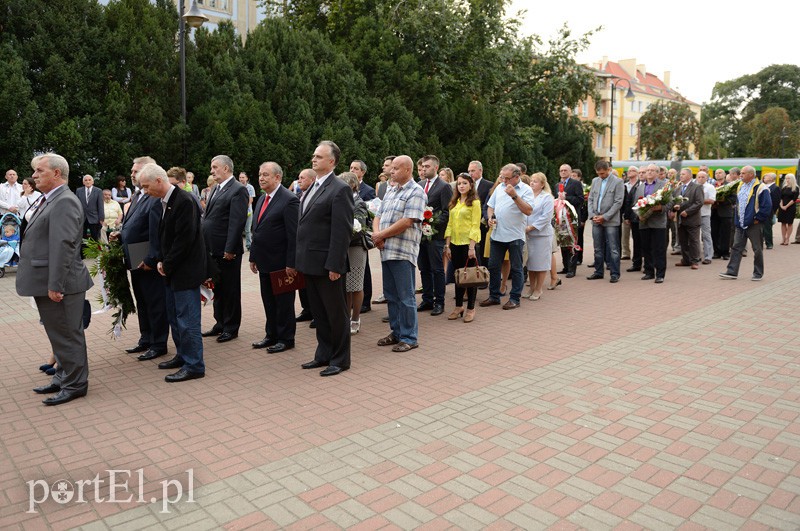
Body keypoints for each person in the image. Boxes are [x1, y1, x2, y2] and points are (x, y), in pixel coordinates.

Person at [17, 153, 93, 405]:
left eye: (39, 171)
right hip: (50, 280)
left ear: (57, 174)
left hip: (62, 283)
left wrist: (55, 284)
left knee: (68, 335)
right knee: (57, 334)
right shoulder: (50, 199)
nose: (34, 175)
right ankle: (63, 377)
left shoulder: (64, 201)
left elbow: (63, 246)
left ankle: (75, 384)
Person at [136, 163, 207, 382]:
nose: (145, 191)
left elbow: (183, 240)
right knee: (175, 319)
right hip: (171, 271)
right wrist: (161, 262)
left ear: (159, 181)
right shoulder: (165, 202)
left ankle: (194, 365)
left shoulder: (184, 201)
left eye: (147, 186)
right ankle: (182, 355)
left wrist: (166, 264)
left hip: (184, 271)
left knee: (187, 320)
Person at [296, 141, 354, 376]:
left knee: (336, 314)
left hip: (328, 264)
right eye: (313, 156)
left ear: (332, 161)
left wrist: (335, 264)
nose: (314, 159)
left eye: (319, 156)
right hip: (310, 263)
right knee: (319, 313)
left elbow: (342, 231)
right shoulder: (312, 186)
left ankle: (340, 359)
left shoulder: (340, 188)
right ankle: (323, 354)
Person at [117, 156, 169, 361]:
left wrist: (151, 258)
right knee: (142, 300)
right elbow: (134, 223)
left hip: (147, 256)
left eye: (136, 171)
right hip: (134, 253)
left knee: (154, 300)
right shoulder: (139, 194)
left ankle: (158, 343)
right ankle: (146, 338)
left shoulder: (154, 196)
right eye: (132, 170)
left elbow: (156, 231)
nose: (132, 174)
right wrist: (121, 234)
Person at [373, 155, 426, 349]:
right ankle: (396, 332)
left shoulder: (416, 192)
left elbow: (407, 221)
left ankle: (409, 337)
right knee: (391, 295)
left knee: (406, 296)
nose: (391, 171)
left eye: (395, 168)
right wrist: (378, 234)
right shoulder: (391, 189)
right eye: (391, 168)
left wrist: (380, 236)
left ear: (407, 170)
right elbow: (378, 215)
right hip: (386, 249)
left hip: (402, 251)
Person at [249, 162, 299, 353]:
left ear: (278, 177)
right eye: (260, 174)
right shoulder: (262, 199)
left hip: (281, 264)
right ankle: (271, 335)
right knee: (268, 300)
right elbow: (257, 230)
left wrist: (291, 263)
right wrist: (253, 257)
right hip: (264, 261)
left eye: (266, 175)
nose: (261, 178)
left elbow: (294, 235)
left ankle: (286, 338)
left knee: (283, 303)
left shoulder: (289, 200)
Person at [201, 155, 249, 343]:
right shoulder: (214, 188)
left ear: (226, 169)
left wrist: (230, 248)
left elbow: (237, 222)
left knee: (230, 289)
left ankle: (231, 327)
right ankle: (219, 323)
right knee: (217, 288)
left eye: (215, 167)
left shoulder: (238, 190)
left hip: (227, 250)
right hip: (213, 248)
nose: (211, 171)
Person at [480, 164, 533, 309]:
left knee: (516, 268)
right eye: (502, 177)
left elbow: (528, 211)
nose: (504, 181)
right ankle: (494, 296)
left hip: (515, 235)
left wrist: (514, 196)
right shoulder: (499, 187)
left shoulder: (526, 190)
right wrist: (490, 217)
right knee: (493, 266)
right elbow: (490, 206)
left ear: (517, 177)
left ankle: (515, 298)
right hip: (497, 234)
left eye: (507, 178)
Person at [720, 166, 772, 281]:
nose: (740, 175)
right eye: (741, 173)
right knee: (736, 247)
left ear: (751, 175)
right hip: (740, 223)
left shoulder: (761, 188)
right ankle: (732, 271)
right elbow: (738, 204)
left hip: (754, 224)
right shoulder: (740, 186)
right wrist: (737, 220)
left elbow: (767, 207)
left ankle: (758, 273)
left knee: (757, 249)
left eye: (743, 173)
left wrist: (757, 219)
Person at [416, 155, 452, 316]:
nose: (424, 169)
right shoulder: (419, 185)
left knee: (437, 269)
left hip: (435, 235)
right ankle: (427, 299)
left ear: (436, 168)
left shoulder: (444, 186)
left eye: (427, 167)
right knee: (423, 267)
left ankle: (440, 301)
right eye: (422, 166)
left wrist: (431, 223)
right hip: (419, 234)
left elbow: (446, 212)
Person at [443, 173, 482, 322]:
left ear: (471, 185)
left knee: (470, 278)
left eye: (464, 183)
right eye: (459, 183)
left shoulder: (475, 203)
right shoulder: (455, 202)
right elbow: (450, 225)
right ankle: (458, 306)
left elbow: (475, 225)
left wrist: (472, 247)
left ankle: (471, 308)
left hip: (468, 245)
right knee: (458, 276)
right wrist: (447, 245)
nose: (461, 186)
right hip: (455, 244)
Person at [339, 172, 370, 334]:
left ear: (351, 185)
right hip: (342, 248)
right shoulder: (341, 200)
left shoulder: (358, 202)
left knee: (355, 285)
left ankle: (356, 319)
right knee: (345, 286)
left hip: (356, 247)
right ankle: (345, 318)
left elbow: (360, 228)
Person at [586, 160, 624, 282]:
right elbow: (590, 199)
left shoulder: (618, 182)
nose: (601, 176)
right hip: (596, 219)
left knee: (613, 247)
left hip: (611, 221)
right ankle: (598, 271)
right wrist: (592, 215)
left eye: (603, 173)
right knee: (597, 247)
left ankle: (614, 273)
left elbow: (618, 202)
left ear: (608, 170)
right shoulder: (595, 181)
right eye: (599, 173)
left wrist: (605, 216)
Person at [632, 165, 669, 283]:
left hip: (658, 222)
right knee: (646, 248)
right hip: (644, 221)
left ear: (658, 173)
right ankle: (649, 272)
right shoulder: (640, 187)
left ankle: (660, 274)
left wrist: (661, 207)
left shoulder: (663, 185)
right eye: (648, 170)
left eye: (652, 170)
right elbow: (636, 202)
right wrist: (638, 214)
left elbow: (671, 202)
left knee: (659, 249)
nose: (649, 172)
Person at [349, 160, 375, 313]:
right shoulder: (344, 188)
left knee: (364, 270)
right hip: (349, 238)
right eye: (351, 167)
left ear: (363, 172)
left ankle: (365, 301)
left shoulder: (368, 190)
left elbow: (371, 212)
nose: (353, 170)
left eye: (356, 168)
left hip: (360, 237)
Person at [524, 173, 555, 300]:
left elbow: (546, 217)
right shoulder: (527, 196)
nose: (532, 183)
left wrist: (531, 227)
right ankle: (531, 287)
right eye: (531, 181)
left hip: (541, 234)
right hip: (528, 234)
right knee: (531, 263)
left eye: (535, 181)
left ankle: (538, 289)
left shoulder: (547, 197)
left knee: (541, 263)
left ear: (542, 184)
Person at [293, 169, 316, 323]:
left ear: (312, 180)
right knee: (301, 281)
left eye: (302, 178)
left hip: (312, 246)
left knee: (313, 283)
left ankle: (316, 313)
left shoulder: (316, 197)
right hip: (298, 245)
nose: (299, 180)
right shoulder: (297, 197)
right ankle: (306, 309)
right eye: (298, 177)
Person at [554, 164, 584, 278]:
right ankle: (565, 266)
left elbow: (580, 199)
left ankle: (572, 269)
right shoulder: (557, 185)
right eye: (561, 170)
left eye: (565, 170)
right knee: (563, 243)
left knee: (572, 243)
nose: (563, 172)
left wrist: (567, 198)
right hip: (561, 219)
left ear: (570, 172)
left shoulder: (575, 183)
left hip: (572, 218)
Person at [672, 168, 704, 270]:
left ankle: (695, 261)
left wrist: (688, 211)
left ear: (690, 176)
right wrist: (675, 207)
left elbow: (699, 202)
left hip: (692, 219)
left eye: (683, 174)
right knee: (683, 241)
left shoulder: (697, 187)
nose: (681, 176)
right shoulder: (678, 189)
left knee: (694, 241)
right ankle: (686, 260)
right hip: (681, 219)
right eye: (680, 174)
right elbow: (674, 202)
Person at [468, 160, 493, 258]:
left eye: (473, 171)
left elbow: (488, 205)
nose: (470, 173)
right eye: (469, 171)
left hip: (482, 225)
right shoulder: (466, 185)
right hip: (467, 224)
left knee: (481, 253)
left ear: (480, 170)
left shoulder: (489, 185)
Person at [713, 168, 737, 258]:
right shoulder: (712, 185)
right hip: (713, 212)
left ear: (724, 175)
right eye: (716, 173)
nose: (718, 174)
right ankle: (716, 252)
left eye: (720, 173)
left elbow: (734, 198)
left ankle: (725, 252)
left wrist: (722, 200)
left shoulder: (730, 185)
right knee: (714, 233)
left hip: (725, 212)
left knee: (726, 233)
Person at [76, 174, 104, 242]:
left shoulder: (98, 191)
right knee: (82, 239)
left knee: (95, 238)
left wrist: (101, 218)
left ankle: (95, 252)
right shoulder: (79, 191)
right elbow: (77, 205)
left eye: (89, 180)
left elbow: (100, 206)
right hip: (82, 218)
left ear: (93, 181)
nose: (88, 182)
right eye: (86, 180)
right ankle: (82, 252)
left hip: (94, 218)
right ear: (83, 182)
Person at [697, 171, 716, 264]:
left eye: (703, 177)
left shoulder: (710, 187)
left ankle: (708, 256)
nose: (700, 179)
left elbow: (712, 200)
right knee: (694, 237)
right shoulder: (694, 186)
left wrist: (699, 201)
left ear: (707, 178)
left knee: (706, 235)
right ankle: (696, 256)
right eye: (699, 177)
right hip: (694, 214)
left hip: (705, 214)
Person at [621, 166, 639, 261]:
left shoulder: (639, 184)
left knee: (636, 236)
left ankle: (639, 254)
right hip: (626, 212)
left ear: (637, 173)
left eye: (632, 171)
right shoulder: (624, 184)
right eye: (629, 171)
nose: (630, 172)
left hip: (637, 213)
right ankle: (625, 253)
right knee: (624, 234)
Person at [777, 173, 798, 245]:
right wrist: (782, 205)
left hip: (791, 207)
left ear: (792, 179)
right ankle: (783, 239)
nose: (787, 180)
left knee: (789, 223)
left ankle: (787, 239)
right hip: (782, 207)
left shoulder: (796, 188)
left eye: (788, 178)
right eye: (786, 178)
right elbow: (780, 197)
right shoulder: (783, 187)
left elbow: (794, 199)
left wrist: (786, 206)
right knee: (783, 223)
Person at [761, 173, 781, 249]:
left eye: (766, 176)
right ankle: (761, 241)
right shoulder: (763, 186)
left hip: (769, 211)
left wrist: (772, 211)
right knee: (761, 227)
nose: (764, 177)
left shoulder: (775, 188)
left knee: (767, 228)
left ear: (771, 178)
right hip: (762, 209)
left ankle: (769, 244)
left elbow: (776, 201)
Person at [239, 172, 256, 251]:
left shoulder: (250, 187)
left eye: (243, 177)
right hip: (238, 212)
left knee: (247, 230)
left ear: (246, 178)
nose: (241, 179)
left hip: (248, 212)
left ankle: (249, 245)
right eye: (240, 177)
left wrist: (244, 208)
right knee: (237, 229)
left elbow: (251, 200)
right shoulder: (237, 187)